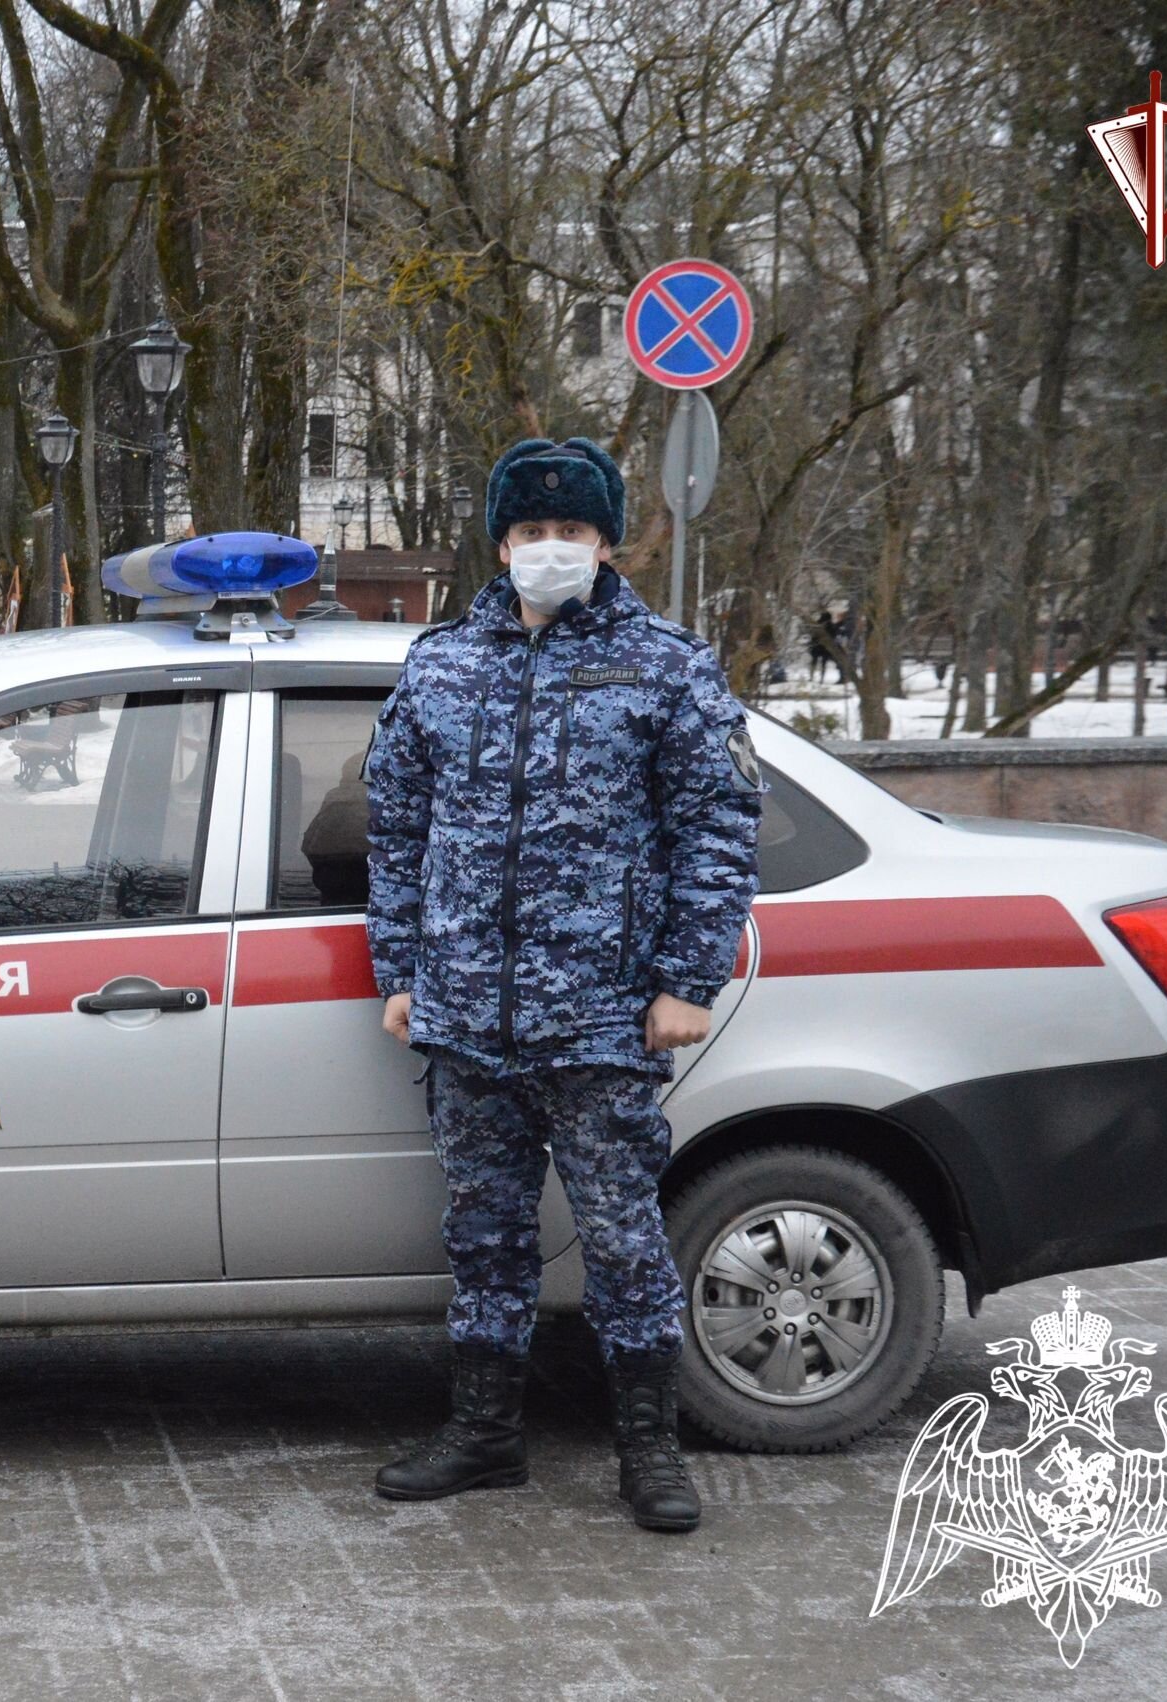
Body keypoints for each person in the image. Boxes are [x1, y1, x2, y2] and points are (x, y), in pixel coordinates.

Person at [362, 436, 762, 1533]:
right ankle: (486, 1433)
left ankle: (648, 1448)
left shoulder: (664, 664)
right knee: (482, 1237)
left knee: (624, 1238)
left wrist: (686, 977)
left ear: (604, 541)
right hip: (465, 1020)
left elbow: (717, 828)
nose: (550, 548)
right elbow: (394, 829)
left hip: (601, 1017)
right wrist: (399, 970)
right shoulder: (441, 665)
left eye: (572, 531)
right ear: (500, 541)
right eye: (531, 532)